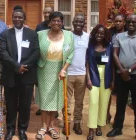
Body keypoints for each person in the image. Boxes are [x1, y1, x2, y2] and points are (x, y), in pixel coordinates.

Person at [107, 14, 136, 140]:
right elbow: (114, 54)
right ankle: (117, 128)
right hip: (121, 75)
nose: (131, 24)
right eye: (129, 22)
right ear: (126, 23)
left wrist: (129, 70)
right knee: (120, 102)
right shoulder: (119, 37)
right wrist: (122, 70)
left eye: (133, 22)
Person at [0, 9, 40, 140]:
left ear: (24, 19)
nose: (17, 19)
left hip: (27, 75)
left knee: (25, 105)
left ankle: (22, 129)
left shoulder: (32, 34)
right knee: (10, 104)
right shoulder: (5, 34)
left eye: (20, 17)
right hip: (11, 74)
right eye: (15, 17)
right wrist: (17, 67)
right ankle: (10, 130)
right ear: (12, 18)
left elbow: (36, 52)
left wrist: (24, 67)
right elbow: (3, 53)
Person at [35, 11, 74, 140]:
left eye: (59, 21)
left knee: (55, 100)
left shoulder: (68, 35)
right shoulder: (40, 35)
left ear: (62, 22)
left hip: (60, 70)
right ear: (49, 22)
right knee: (45, 99)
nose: (56, 23)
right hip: (44, 70)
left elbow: (71, 54)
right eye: (54, 20)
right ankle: (43, 127)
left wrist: (64, 69)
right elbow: (35, 52)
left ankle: (51, 127)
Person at [34, 7, 64, 117]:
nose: (46, 14)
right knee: (43, 90)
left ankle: (54, 110)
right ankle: (42, 108)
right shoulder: (39, 28)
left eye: (48, 12)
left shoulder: (62, 30)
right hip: (43, 64)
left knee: (55, 91)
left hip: (58, 65)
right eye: (45, 12)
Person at [62, 13, 89, 135]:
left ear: (84, 23)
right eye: (76, 21)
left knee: (79, 101)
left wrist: (88, 75)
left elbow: (88, 58)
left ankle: (77, 123)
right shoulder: (67, 36)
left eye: (81, 21)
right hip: (68, 73)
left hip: (82, 74)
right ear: (72, 22)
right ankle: (66, 123)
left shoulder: (87, 37)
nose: (78, 23)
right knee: (66, 101)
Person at [86, 24, 114, 140]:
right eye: (97, 33)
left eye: (102, 34)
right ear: (94, 34)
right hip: (94, 76)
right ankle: (91, 129)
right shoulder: (90, 46)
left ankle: (99, 126)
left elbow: (112, 65)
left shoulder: (109, 46)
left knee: (104, 102)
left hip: (107, 76)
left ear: (105, 35)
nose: (99, 35)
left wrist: (113, 80)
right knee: (93, 102)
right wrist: (88, 78)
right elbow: (87, 63)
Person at [106, 14, 126, 124]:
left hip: (123, 68)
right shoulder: (110, 33)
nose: (118, 23)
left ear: (124, 22)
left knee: (120, 95)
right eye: (116, 21)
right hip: (110, 66)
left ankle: (118, 119)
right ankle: (106, 114)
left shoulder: (128, 33)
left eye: (120, 21)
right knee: (108, 92)